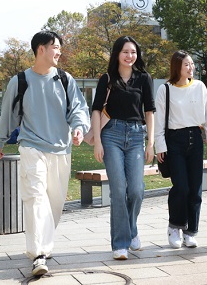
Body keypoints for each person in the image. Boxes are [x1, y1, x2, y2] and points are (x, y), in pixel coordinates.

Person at [0, 31, 90, 276]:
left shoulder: (64, 79)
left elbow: (78, 108)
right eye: (55, 47)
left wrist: (78, 128)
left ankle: (43, 245)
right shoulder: (20, 81)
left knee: (54, 205)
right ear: (40, 49)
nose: (59, 52)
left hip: (60, 149)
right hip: (31, 146)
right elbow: (8, 113)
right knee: (36, 197)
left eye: (59, 47)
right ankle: (38, 254)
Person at [91, 35, 155, 260]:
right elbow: (97, 110)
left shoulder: (144, 78)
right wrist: (97, 141)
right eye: (126, 52)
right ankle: (120, 243)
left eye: (133, 52)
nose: (130, 56)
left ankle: (132, 229)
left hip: (137, 136)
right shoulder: (107, 79)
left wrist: (151, 143)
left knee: (136, 190)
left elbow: (149, 112)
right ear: (117, 54)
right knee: (118, 191)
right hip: (112, 136)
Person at [154, 50, 207, 249]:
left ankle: (191, 232)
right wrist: (160, 146)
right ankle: (174, 226)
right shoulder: (165, 90)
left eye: (192, 64)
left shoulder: (199, 87)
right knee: (181, 187)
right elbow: (159, 122)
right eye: (187, 65)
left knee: (195, 189)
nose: (191, 68)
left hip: (195, 139)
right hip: (174, 141)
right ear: (177, 67)